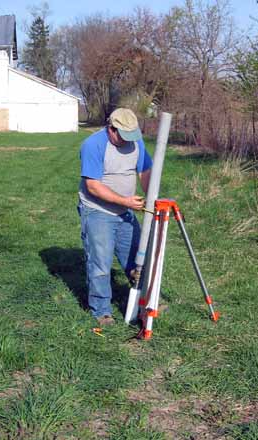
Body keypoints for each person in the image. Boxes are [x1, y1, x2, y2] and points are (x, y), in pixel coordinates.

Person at [78, 108, 152, 326]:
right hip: (97, 211)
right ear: (111, 128)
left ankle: (143, 302)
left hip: (126, 211)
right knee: (101, 264)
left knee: (137, 259)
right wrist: (125, 201)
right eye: (122, 135)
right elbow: (93, 186)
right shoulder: (93, 145)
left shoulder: (137, 143)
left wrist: (151, 195)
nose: (126, 140)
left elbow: (145, 171)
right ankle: (101, 311)